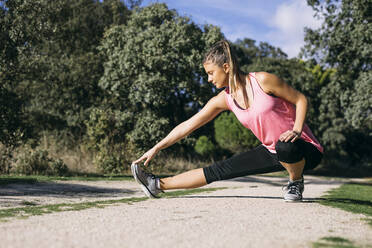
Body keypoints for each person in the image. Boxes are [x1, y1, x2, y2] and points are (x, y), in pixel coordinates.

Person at [131, 40, 323, 202]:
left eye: (210, 73)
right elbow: (188, 125)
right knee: (219, 169)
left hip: (305, 149)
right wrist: (157, 147)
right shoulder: (224, 99)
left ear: (226, 67)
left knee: (286, 146)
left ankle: (295, 182)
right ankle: (156, 184)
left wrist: (297, 130)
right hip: (272, 151)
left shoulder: (262, 80)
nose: (208, 79)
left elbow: (300, 99)